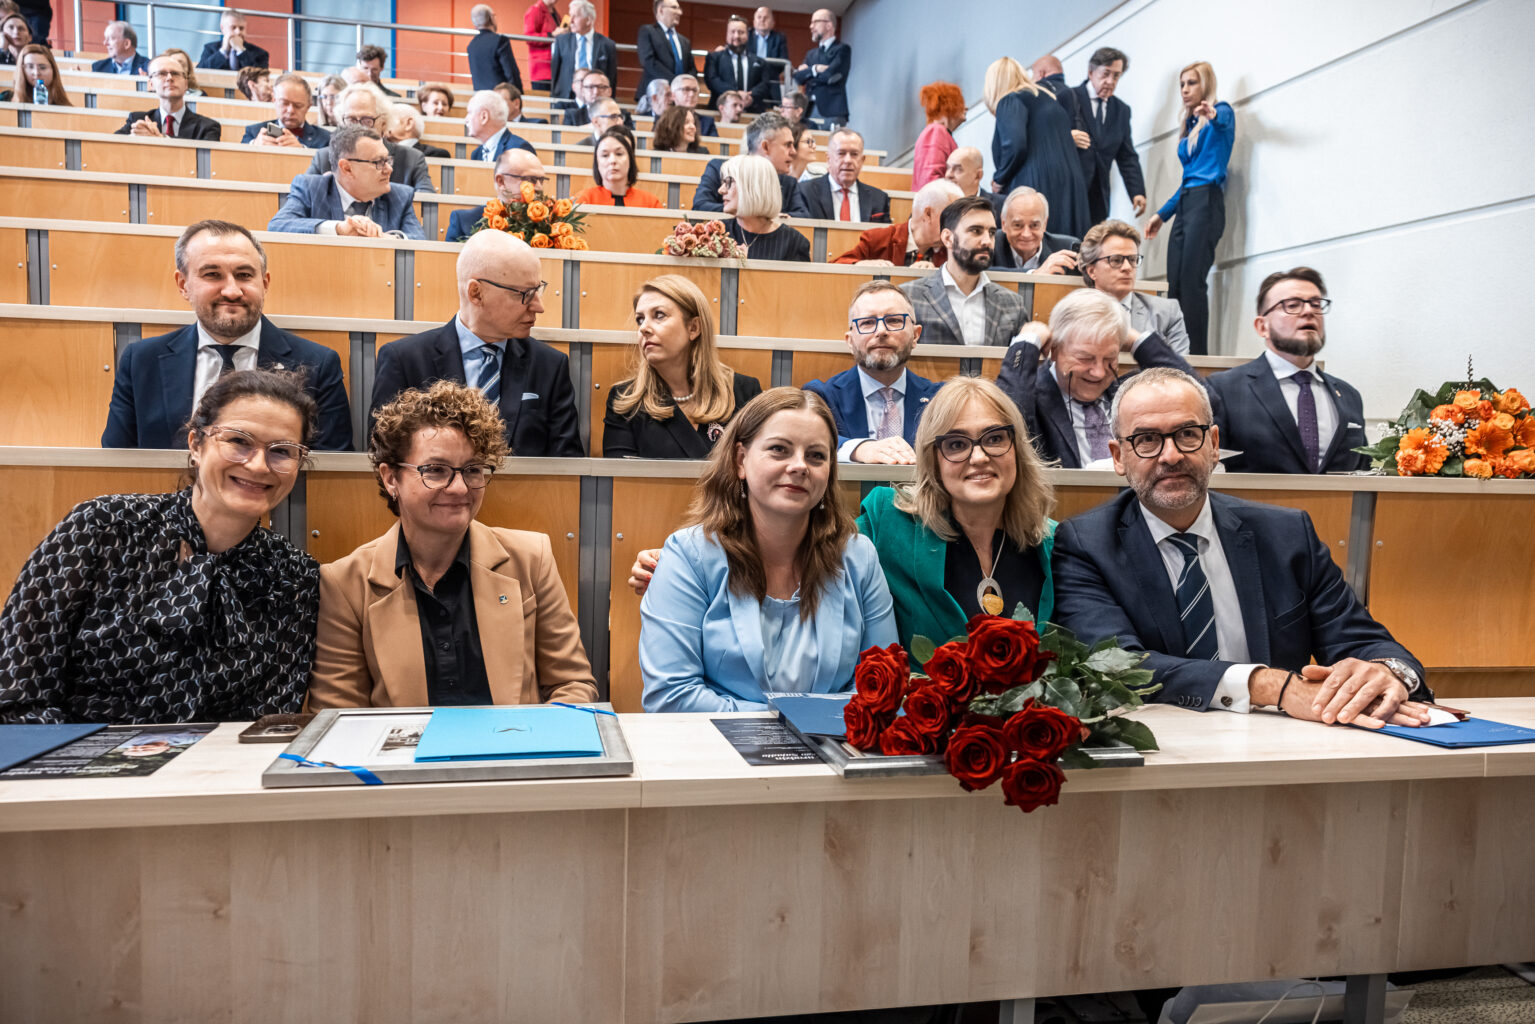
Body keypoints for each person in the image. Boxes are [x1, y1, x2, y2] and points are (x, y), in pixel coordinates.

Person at [1052, 366, 1433, 722]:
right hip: (1161, 742)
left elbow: (1362, 640)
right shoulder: (1086, 545)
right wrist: (1267, 685)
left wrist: (1386, 673)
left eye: (1187, 434)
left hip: (1282, 748)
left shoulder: (1286, 533)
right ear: (1119, 456)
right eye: (1147, 440)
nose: (1171, 456)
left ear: (1213, 444)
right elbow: (1117, 665)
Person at [1, 369, 322, 725]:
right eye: (238, 441)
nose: (259, 464)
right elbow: (17, 694)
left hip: (217, 774)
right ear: (196, 445)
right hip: (73, 768)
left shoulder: (294, 575)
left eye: (282, 451)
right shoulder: (100, 528)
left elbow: (269, 722)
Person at [307, 380, 597, 709]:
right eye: (436, 470)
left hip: (512, 751)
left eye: (472, 470)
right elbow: (338, 717)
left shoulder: (531, 558)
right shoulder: (345, 583)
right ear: (391, 479)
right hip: (402, 759)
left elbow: (571, 684)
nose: (459, 488)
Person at [638, 387, 897, 712]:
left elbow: (885, 688)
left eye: (816, 456)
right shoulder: (689, 555)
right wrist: (804, 722)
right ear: (740, 460)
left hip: (837, 754)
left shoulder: (858, 555)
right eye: (779, 449)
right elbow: (671, 696)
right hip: (719, 755)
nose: (800, 466)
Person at [102, 220, 352, 451]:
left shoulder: (318, 364)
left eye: (244, 275)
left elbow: (328, 475)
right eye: (212, 275)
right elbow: (118, 462)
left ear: (264, 283)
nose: (232, 291)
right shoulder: (141, 361)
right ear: (183, 285)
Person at [857, 376, 1057, 652]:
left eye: (995, 438)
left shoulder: (1054, 544)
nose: (978, 457)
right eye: (956, 444)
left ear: (1017, 449)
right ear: (933, 459)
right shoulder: (887, 524)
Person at [371, 230, 583, 457]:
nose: (539, 306)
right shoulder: (404, 360)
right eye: (525, 293)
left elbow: (566, 468)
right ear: (476, 293)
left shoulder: (550, 365)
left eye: (538, 289)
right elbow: (386, 457)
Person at [994, 287, 1199, 469]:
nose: (1099, 372)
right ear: (1055, 351)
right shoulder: (1032, 397)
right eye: (1085, 358)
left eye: (1110, 358)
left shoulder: (1128, 393)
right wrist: (1027, 342)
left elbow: (1200, 399)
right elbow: (1005, 422)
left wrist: (1139, 342)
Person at [1205, 267, 1369, 475]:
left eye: (1316, 304)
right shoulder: (1223, 390)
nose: (1309, 311)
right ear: (1262, 326)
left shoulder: (1349, 395)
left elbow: (1364, 472)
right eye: (1292, 305)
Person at [603, 274, 762, 458]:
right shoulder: (625, 400)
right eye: (640, 319)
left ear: (693, 328)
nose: (643, 328)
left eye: (659, 315)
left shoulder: (744, 392)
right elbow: (621, 482)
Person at [1145, 61, 1235, 356]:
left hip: (1206, 202)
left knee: (1193, 285)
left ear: (1206, 84)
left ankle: (1197, 357)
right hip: (1186, 202)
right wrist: (1162, 214)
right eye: (1182, 84)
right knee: (1175, 286)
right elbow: (1187, 179)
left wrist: (1211, 114)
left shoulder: (1221, 112)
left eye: (1192, 83)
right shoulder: (1190, 124)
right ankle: (1176, 353)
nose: (1185, 90)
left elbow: (1222, 122)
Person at [802, 280, 940, 465]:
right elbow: (808, 440)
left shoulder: (939, 399)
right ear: (850, 341)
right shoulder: (823, 396)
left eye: (894, 321)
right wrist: (860, 448)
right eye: (867, 322)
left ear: (915, 335)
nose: (881, 331)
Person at [900, 195, 1027, 347]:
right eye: (976, 231)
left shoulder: (1013, 304)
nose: (987, 241)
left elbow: (1021, 366)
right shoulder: (909, 297)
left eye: (992, 233)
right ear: (948, 238)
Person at [985, 56, 1089, 238]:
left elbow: (1015, 145)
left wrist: (999, 179)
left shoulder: (1010, 100)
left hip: (1036, 185)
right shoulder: (1048, 100)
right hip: (1071, 187)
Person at [269, 126, 425, 239]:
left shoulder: (400, 196)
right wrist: (338, 228)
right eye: (379, 162)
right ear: (347, 168)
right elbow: (278, 225)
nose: (389, 169)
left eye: (388, 160)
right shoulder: (311, 188)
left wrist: (386, 239)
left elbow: (419, 242)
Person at [1079, 219, 1191, 354]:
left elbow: (1180, 371)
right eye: (1116, 260)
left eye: (1132, 260)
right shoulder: (1074, 314)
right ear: (1092, 271)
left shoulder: (1167, 312)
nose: (1127, 267)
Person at [306, 83, 436, 193]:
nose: (358, 128)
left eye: (367, 120)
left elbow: (427, 204)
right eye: (351, 120)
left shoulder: (411, 159)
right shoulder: (324, 158)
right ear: (341, 123)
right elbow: (299, 205)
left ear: (384, 124)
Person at [1072, 46, 1147, 226]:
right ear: (1091, 72)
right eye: (1105, 74)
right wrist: (1067, 138)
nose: (1110, 81)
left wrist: (1137, 191)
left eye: (1116, 76)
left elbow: (1127, 156)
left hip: (1099, 198)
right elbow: (1050, 139)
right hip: (1071, 192)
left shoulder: (1121, 110)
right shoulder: (1069, 97)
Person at [691, 110, 805, 215]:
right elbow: (700, 206)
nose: (794, 152)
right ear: (765, 147)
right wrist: (751, 213)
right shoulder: (719, 168)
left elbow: (803, 217)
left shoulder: (789, 183)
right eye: (787, 145)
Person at [833, 178, 959, 267]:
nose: (957, 226)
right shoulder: (879, 239)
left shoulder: (955, 248)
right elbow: (835, 266)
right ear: (928, 214)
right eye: (952, 217)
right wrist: (861, 264)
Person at [719, 153, 811, 262]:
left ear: (753, 187)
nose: (721, 190)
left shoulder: (793, 243)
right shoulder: (716, 233)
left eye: (729, 183)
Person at [446, 148, 548, 242]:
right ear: (501, 182)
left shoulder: (550, 224)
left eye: (541, 180)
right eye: (530, 179)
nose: (539, 188)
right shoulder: (465, 222)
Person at [114, 53, 221, 140]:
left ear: (186, 84)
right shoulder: (137, 120)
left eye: (175, 73)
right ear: (151, 84)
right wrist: (132, 138)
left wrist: (159, 139)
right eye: (162, 73)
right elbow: (112, 146)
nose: (169, 78)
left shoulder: (208, 127)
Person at [796, 128, 889, 222]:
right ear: (828, 159)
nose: (848, 160)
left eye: (854, 154)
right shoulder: (805, 192)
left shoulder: (879, 199)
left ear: (862, 160)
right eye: (841, 153)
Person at [992, 186, 1079, 273]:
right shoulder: (990, 244)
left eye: (1034, 225)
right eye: (1018, 225)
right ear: (1004, 224)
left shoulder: (1068, 248)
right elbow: (981, 272)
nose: (1026, 234)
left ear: (1044, 224)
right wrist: (1034, 273)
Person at [574, 126, 664, 208]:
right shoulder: (582, 201)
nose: (613, 161)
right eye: (605, 155)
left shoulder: (650, 203)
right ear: (597, 163)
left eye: (619, 154)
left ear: (630, 160)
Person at [792, 9, 849, 127]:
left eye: (815, 22)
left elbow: (831, 76)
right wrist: (816, 69)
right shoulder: (811, 54)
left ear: (828, 25)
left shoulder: (842, 49)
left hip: (832, 111)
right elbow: (798, 78)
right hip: (809, 111)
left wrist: (808, 72)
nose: (811, 26)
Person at [241, 72, 330, 148]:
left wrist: (303, 151)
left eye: (298, 105)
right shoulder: (253, 132)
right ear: (274, 101)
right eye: (284, 103)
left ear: (308, 107)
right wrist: (254, 145)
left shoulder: (326, 139)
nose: (290, 110)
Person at [550, 1, 617, 101]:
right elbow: (555, 74)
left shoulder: (607, 45)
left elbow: (612, 78)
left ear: (589, 20)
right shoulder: (562, 41)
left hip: (595, 98)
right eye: (570, 15)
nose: (571, 21)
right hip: (567, 98)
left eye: (575, 16)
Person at [705, 15, 771, 114]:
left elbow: (765, 84)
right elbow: (712, 81)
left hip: (753, 112)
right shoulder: (714, 58)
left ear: (747, 35)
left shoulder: (760, 62)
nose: (736, 36)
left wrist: (751, 97)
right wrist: (736, 94)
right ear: (727, 34)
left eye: (741, 32)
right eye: (732, 32)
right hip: (720, 112)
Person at [636, 0, 694, 103]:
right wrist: (675, 83)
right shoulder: (648, 31)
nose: (680, 12)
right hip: (655, 97)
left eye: (679, 8)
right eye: (674, 8)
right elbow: (649, 62)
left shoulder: (685, 41)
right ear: (661, 10)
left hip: (679, 100)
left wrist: (686, 86)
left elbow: (692, 68)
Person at [912, 81, 965, 190]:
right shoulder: (936, 132)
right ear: (950, 105)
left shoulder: (938, 132)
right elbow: (930, 178)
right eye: (961, 103)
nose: (965, 108)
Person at [464, 89, 536, 164]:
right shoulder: (476, 154)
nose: (466, 120)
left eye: (469, 113)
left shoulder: (518, 148)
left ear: (484, 117)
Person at [466, 5, 523, 92]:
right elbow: (511, 73)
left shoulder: (471, 45)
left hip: (480, 97)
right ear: (491, 18)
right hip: (499, 97)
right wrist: (518, 94)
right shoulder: (500, 41)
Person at [943, 146, 1004, 221]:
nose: (948, 175)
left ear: (978, 175)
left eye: (958, 169)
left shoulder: (1002, 206)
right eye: (948, 168)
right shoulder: (941, 206)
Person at [196, 9, 268, 70]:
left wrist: (241, 51)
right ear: (222, 28)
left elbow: (259, 77)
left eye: (241, 28)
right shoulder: (210, 48)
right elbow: (200, 71)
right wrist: (223, 51)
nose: (238, 32)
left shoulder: (260, 53)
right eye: (233, 27)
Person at [522, 0, 562, 91]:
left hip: (555, 66)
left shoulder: (555, 13)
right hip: (542, 68)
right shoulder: (535, 10)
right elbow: (529, 37)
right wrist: (551, 35)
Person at [385, 103, 449, 159]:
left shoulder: (433, 154)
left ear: (408, 124)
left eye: (389, 119)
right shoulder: (380, 151)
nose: (383, 124)